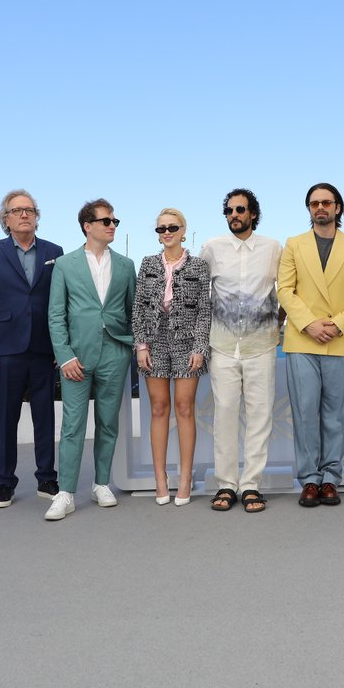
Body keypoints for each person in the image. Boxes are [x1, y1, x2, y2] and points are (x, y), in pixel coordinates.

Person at [277, 183, 344, 508]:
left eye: (326, 203)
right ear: (309, 209)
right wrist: (309, 323)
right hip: (302, 340)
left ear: (337, 208)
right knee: (305, 414)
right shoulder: (293, 245)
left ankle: (331, 478)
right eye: (314, 203)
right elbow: (285, 289)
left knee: (335, 415)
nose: (320, 208)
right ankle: (309, 481)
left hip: (340, 339)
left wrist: (340, 323)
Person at [45, 199, 137, 521]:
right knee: (72, 426)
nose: (112, 225)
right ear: (88, 226)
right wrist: (65, 355)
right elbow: (56, 315)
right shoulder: (65, 264)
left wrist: (129, 347)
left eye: (115, 221)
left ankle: (101, 484)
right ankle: (65, 493)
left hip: (115, 352)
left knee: (108, 423)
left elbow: (131, 311)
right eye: (106, 221)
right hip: (77, 357)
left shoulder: (126, 265)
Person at [0, 190, 64, 509]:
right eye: (17, 210)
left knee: (45, 416)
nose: (24, 215)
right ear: (6, 219)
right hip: (5, 348)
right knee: (7, 418)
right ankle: (5, 482)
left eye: (30, 210)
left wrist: (61, 345)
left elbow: (60, 302)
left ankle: (46, 477)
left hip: (43, 347)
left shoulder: (55, 251)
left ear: (37, 216)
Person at [200, 188, 282, 513]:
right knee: (225, 416)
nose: (235, 215)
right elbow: (198, 288)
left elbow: (286, 289)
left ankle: (251, 485)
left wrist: (276, 326)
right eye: (230, 211)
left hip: (261, 346)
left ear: (253, 214)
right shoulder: (212, 249)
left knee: (260, 416)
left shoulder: (274, 248)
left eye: (241, 210)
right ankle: (226, 485)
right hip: (222, 347)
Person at [134, 208, 212, 507]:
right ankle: (160, 479)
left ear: (183, 230)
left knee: (184, 408)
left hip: (187, 342)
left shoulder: (198, 266)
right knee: (158, 408)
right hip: (154, 341)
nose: (166, 232)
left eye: (172, 227)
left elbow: (205, 309)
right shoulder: (148, 263)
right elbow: (139, 306)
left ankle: (184, 478)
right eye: (161, 228)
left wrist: (200, 347)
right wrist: (141, 345)